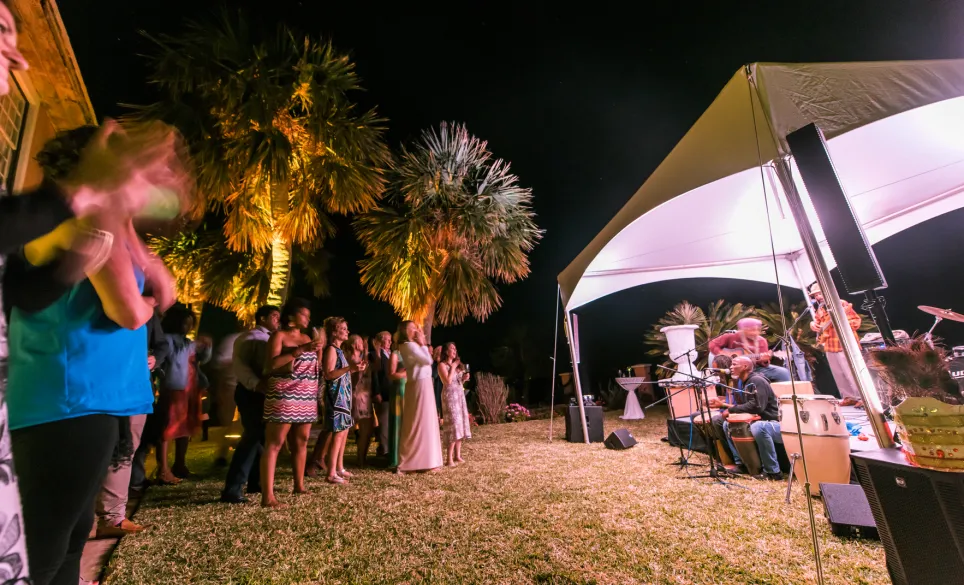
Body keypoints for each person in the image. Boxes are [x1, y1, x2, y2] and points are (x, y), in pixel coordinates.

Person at [6, 121, 186, 584]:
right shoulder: (82, 220)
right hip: (67, 401)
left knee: (71, 539)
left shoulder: (101, 218)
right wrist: (148, 301)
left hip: (81, 399)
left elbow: (134, 244)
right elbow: (127, 310)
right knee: (44, 552)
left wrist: (152, 269)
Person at [261, 299, 321, 507]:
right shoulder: (279, 336)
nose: (308, 318)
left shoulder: (307, 337)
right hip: (284, 394)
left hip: (306, 396)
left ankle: (299, 485)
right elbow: (270, 365)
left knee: (302, 441)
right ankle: (267, 496)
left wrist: (316, 351)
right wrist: (298, 350)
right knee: (275, 443)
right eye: (304, 314)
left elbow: (315, 367)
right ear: (291, 317)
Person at [220, 305, 280, 504]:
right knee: (252, 437)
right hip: (251, 392)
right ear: (262, 318)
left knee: (262, 437)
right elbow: (241, 367)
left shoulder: (272, 339)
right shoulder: (250, 338)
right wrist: (257, 384)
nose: (277, 320)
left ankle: (256, 482)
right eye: (274, 316)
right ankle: (233, 487)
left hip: (262, 392)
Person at [155, 308, 212, 483]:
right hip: (174, 387)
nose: (188, 326)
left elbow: (202, 359)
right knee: (167, 429)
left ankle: (180, 465)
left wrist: (206, 347)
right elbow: (173, 360)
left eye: (190, 323)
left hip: (189, 387)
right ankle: (163, 469)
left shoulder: (186, 342)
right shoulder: (168, 340)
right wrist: (193, 345)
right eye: (185, 322)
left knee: (185, 428)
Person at [717, 357, 784, 481]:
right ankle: (742, 464)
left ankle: (773, 471)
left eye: (734, 364)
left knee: (758, 427)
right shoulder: (743, 382)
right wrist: (725, 407)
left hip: (773, 421)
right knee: (728, 425)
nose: (730, 367)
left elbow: (757, 406)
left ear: (745, 367)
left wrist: (731, 410)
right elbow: (747, 405)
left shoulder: (757, 381)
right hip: (759, 418)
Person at [397, 321, 444, 474]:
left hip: (423, 383)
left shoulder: (411, 345)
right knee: (418, 422)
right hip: (419, 384)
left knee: (426, 422)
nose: (418, 330)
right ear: (406, 330)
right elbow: (427, 360)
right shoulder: (408, 345)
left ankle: (427, 461)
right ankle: (411, 462)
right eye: (414, 328)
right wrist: (423, 343)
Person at [322, 317, 363, 485]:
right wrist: (350, 368)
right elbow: (329, 374)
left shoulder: (339, 351)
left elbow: (342, 373)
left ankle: (339, 467)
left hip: (343, 396)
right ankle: (331, 473)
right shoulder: (331, 350)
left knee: (344, 431)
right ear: (334, 332)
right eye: (343, 328)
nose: (347, 331)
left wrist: (354, 370)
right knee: (337, 433)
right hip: (335, 396)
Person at [808, 282, 863, 406]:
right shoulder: (821, 308)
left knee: (851, 371)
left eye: (820, 293)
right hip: (829, 345)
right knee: (838, 373)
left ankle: (862, 398)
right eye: (815, 295)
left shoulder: (841, 304)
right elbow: (817, 323)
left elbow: (856, 321)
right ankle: (849, 396)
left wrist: (840, 322)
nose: (818, 297)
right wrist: (812, 324)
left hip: (844, 344)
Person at [709, 318, 790, 383]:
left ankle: (783, 397)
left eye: (756, 330)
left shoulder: (762, 341)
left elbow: (763, 364)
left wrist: (764, 360)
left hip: (754, 368)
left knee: (783, 373)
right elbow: (712, 344)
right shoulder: (731, 336)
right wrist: (722, 353)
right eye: (751, 330)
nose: (754, 332)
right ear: (742, 329)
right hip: (732, 368)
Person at [212, 329, 244, 465]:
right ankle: (222, 454)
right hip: (233, 386)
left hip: (248, 386)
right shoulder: (233, 339)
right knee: (227, 421)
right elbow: (222, 364)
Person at [438, 342, 472, 466]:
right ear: (446, 351)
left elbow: (458, 382)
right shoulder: (442, 365)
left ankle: (457, 455)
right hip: (449, 397)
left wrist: (463, 378)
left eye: (455, 349)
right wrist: (453, 367)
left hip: (459, 395)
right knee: (453, 425)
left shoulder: (457, 366)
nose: (454, 350)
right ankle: (449, 458)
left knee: (460, 423)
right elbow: (447, 381)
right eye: (452, 348)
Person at [346, 334, 374, 467]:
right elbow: (354, 380)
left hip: (365, 395)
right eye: (359, 341)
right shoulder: (352, 359)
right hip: (359, 396)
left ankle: (362, 457)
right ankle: (361, 459)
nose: (362, 342)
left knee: (367, 430)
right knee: (365, 429)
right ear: (353, 344)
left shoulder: (361, 357)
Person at [371, 331, 392, 458]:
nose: (390, 342)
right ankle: (384, 450)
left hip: (393, 392)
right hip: (382, 392)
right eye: (387, 340)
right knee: (384, 422)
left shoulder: (392, 354)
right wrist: (376, 392)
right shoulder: (374, 355)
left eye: (390, 340)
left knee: (391, 421)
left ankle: (387, 447)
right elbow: (375, 375)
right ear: (380, 341)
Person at [387, 334, 407, 469]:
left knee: (407, 424)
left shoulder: (409, 355)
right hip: (398, 391)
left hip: (409, 391)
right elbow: (391, 375)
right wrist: (407, 373)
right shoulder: (395, 354)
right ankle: (395, 458)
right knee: (397, 423)